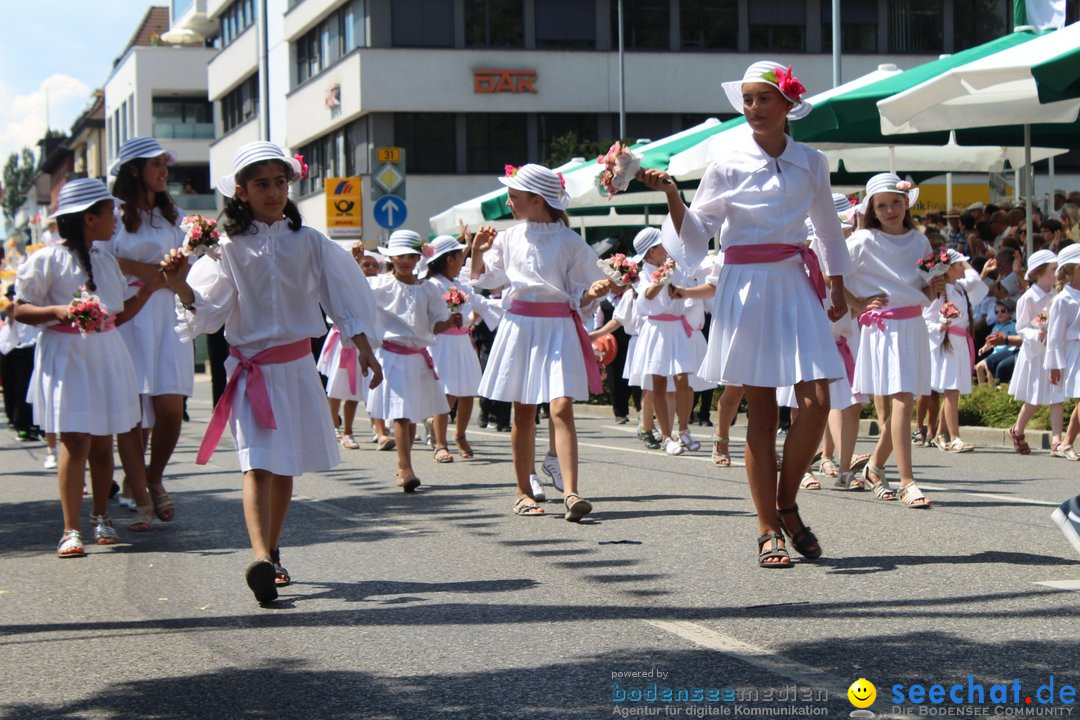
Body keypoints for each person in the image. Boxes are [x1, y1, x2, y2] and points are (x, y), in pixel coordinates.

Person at [646, 61, 851, 566]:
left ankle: (785, 502)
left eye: (764, 98)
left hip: (795, 282)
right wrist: (673, 195)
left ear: (787, 105)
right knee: (759, 411)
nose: (754, 108)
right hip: (745, 286)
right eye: (748, 100)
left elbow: (828, 229)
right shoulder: (727, 159)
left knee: (818, 400)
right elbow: (697, 236)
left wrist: (838, 286)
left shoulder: (813, 161)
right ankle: (768, 527)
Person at [160, 141, 381, 603]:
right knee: (257, 462)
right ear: (241, 192)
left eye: (280, 182)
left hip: (297, 367)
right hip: (250, 370)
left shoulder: (310, 242)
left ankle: (273, 551)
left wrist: (363, 347)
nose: (274, 192)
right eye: (262, 184)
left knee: (285, 468)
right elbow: (207, 311)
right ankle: (260, 555)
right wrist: (180, 284)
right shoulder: (226, 249)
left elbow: (341, 297)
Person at [13, 179, 166, 556]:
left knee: (101, 441)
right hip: (65, 353)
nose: (114, 218)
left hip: (105, 352)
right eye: (107, 212)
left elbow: (120, 313)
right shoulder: (47, 259)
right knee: (75, 439)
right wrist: (59, 311)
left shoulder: (105, 260)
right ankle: (69, 528)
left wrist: (149, 289)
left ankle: (101, 516)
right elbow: (19, 308)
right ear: (87, 218)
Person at [471, 163, 614, 521]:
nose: (509, 202)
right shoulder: (508, 237)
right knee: (523, 411)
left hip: (557, 328)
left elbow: (584, 292)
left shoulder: (570, 242)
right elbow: (486, 280)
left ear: (537, 200)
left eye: (515, 197)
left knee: (561, 407)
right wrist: (476, 251)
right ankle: (522, 490)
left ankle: (571, 492)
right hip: (520, 326)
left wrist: (593, 292)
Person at [104, 137, 192, 523]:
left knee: (171, 407)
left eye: (165, 165)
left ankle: (153, 478)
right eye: (156, 164)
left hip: (168, 314)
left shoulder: (175, 217)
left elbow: (186, 265)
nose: (164, 172)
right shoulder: (115, 215)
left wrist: (169, 279)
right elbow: (110, 261)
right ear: (135, 169)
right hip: (131, 315)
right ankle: (138, 487)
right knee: (135, 412)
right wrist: (156, 276)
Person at [846, 173, 940, 509]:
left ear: (906, 204)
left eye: (896, 202)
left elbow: (925, 283)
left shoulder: (920, 241)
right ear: (871, 208)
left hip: (913, 323)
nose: (890, 210)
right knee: (903, 401)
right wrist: (856, 304)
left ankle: (874, 467)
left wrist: (933, 288)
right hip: (883, 327)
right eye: (882, 205)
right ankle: (907, 481)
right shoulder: (862, 240)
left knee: (905, 399)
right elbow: (828, 270)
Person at [365, 229, 456, 486]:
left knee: (411, 413)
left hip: (417, 357)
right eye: (399, 256)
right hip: (392, 355)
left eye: (411, 256)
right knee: (401, 414)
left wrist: (451, 321)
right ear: (391, 258)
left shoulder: (427, 289)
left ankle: (404, 464)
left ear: (419, 259)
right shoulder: (378, 285)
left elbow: (435, 323)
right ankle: (405, 468)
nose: (405, 261)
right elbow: (353, 295)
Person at [425, 233, 497, 460]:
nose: (462, 262)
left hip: (463, 341)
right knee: (446, 393)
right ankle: (440, 443)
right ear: (449, 259)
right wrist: (449, 320)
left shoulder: (458, 283)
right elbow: (430, 318)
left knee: (467, 392)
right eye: (459, 257)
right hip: (443, 342)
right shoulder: (432, 284)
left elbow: (476, 295)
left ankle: (460, 435)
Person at [627, 227, 699, 455]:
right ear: (651, 252)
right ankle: (667, 436)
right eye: (661, 246)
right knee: (658, 382)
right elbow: (646, 296)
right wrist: (663, 276)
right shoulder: (642, 273)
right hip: (656, 329)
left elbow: (688, 284)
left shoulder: (675, 264)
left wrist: (677, 281)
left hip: (676, 327)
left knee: (682, 379)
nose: (666, 248)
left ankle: (684, 429)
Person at [925, 250, 988, 452]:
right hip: (948, 341)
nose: (963, 267)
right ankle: (955, 436)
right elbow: (926, 317)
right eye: (959, 264)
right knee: (951, 390)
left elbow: (974, 278)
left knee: (954, 390)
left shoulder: (959, 288)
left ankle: (941, 434)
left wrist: (956, 258)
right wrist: (939, 327)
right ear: (950, 269)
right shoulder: (940, 289)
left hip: (960, 342)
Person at [1008, 250, 1064, 455]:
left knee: (1057, 394)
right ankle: (1018, 429)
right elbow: (1021, 328)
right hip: (1036, 353)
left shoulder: (1055, 296)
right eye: (1052, 269)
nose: (1056, 273)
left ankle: (1057, 440)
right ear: (1039, 272)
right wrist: (1037, 333)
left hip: (1053, 350)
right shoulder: (1028, 298)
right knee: (1035, 398)